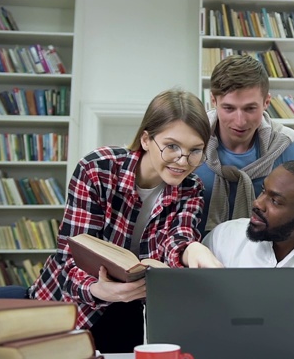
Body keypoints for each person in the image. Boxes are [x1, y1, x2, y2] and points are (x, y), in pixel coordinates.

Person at [28, 89, 223, 353]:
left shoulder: (191, 188)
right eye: (172, 146)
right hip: (64, 306)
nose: (183, 160)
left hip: (127, 308)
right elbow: (69, 258)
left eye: (195, 151)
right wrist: (98, 289)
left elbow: (177, 237)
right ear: (146, 139)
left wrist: (192, 249)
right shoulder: (97, 169)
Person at [193, 55, 294, 236]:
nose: (240, 121)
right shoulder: (191, 140)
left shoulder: (288, 145)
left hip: (266, 253)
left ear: (266, 102)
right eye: (229, 108)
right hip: (192, 251)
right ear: (213, 101)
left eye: (250, 109)